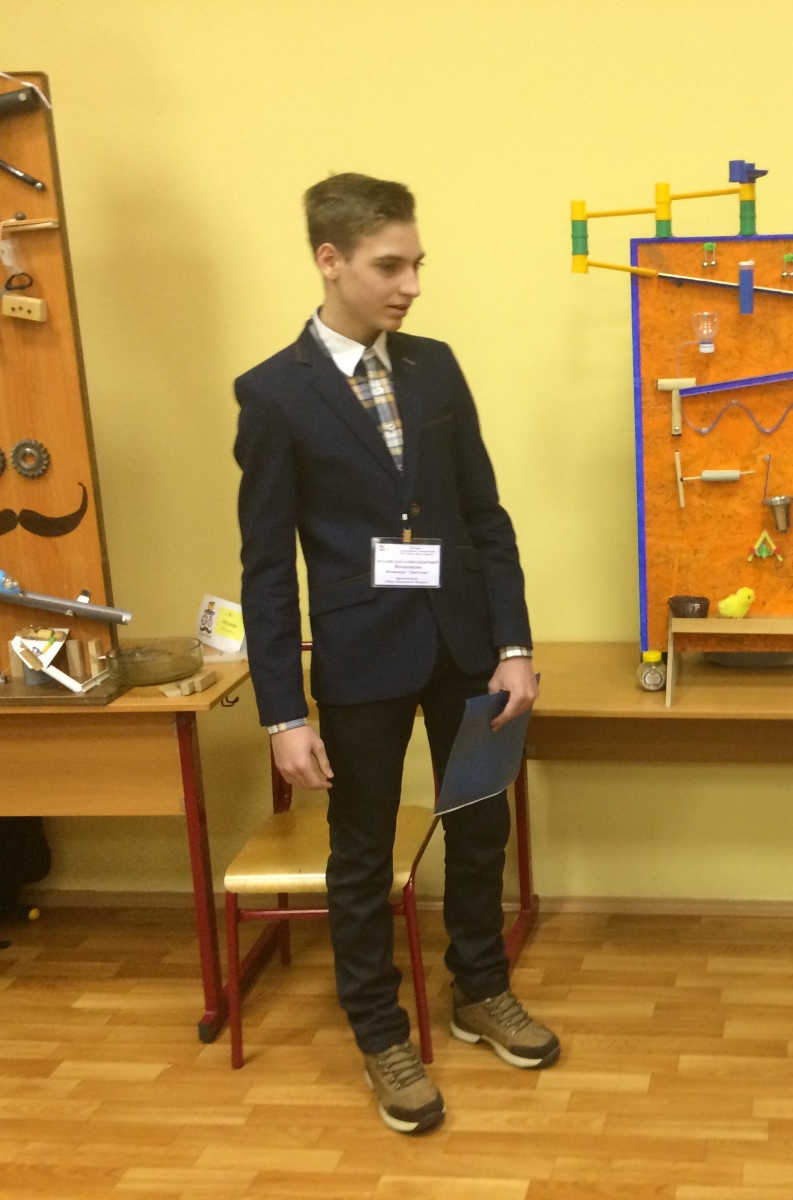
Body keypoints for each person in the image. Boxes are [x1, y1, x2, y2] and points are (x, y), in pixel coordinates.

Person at [234, 172, 557, 1136]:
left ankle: (479, 990)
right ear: (330, 261)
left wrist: (513, 645)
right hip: (360, 659)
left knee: (481, 826)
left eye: (417, 264)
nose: (411, 284)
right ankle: (380, 1033)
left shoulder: (436, 368)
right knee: (363, 852)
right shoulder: (273, 394)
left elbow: (485, 517)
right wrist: (283, 713)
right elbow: (267, 568)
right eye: (390, 266)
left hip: (466, 647)